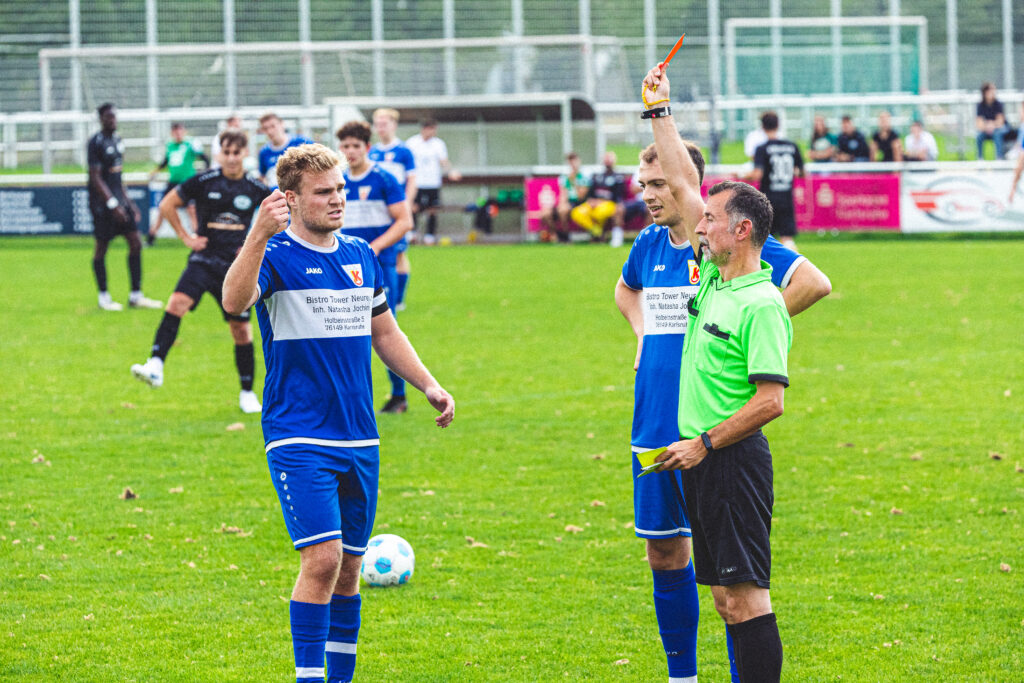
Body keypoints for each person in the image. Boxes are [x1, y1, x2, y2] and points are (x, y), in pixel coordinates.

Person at [618, 64, 829, 683]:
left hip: (725, 446)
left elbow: (772, 394)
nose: (695, 225)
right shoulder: (706, 271)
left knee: (742, 596)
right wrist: (657, 110)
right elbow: (683, 203)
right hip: (683, 436)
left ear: (736, 229)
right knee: (718, 590)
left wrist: (708, 436)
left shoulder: (753, 291)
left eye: (708, 220)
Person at [220, 143, 454, 683]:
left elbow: (384, 330)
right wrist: (257, 234)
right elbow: (234, 302)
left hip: (359, 436)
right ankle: (309, 677)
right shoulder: (274, 255)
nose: (338, 200)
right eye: (323, 192)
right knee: (321, 561)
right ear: (290, 199)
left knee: (349, 570)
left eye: (341, 190)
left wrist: (427, 384)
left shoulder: (359, 254)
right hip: (298, 434)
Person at [130, 129, 271, 413]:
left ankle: (247, 394)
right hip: (204, 259)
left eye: (236, 153)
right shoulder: (205, 180)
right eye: (226, 153)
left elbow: (281, 217)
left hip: (235, 269)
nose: (231, 158)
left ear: (245, 154)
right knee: (176, 303)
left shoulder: (256, 188)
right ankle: (155, 364)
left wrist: (258, 247)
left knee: (241, 330)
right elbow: (168, 204)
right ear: (219, 154)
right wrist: (186, 238)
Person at [336, 121, 414, 414]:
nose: (350, 151)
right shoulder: (338, 181)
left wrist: (377, 246)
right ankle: (351, 397)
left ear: (367, 148)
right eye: (345, 146)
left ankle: (398, 395)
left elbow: (405, 221)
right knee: (344, 330)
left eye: (356, 146)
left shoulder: (383, 178)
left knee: (384, 328)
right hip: (342, 266)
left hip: (378, 265)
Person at [86, 102, 162, 311]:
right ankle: (104, 297)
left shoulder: (118, 140)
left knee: (136, 243)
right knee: (101, 249)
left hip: (120, 202)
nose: (113, 120)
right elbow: (96, 178)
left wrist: (128, 203)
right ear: (101, 119)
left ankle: (136, 296)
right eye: (109, 117)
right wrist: (111, 204)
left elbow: (117, 177)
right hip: (103, 207)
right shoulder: (95, 142)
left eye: (115, 117)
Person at [369, 109, 417, 309]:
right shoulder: (372, 151)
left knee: (399, 253)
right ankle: (381, 295)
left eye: (384, 123)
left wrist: (406, 205)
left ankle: (398, 299)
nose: (381, 128)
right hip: (377, 211)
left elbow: (412, 180)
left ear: (393, 125)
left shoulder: (403, 151)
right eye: (377, 124)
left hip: (396, 209)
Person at [147, 122, 209, 245]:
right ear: (172, 133)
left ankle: (197, 235)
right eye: (175, 131)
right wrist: (156, 171)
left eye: (180, 131)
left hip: (188, 182)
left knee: (191, 210)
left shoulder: (190, 144)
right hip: (173, 182)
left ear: (184, 132)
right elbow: (165, 161)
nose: (178, 134)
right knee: (163, 209)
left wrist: (207, 172)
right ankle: (151, 237)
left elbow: (204, 157)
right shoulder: (170, 146)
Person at [751, 112, 805, 251]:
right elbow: (802, 172)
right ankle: (793, 269)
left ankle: (766, 269)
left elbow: (757, 174)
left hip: (767, 199)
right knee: (787, 239)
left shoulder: (762, 148)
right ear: (778, 125)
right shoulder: (792, 146)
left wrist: (740, 174)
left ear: (762, 127)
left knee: (765, 239)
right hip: (786, 197)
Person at [406, 118, 461, 247]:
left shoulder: (438, 144)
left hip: (433, 182)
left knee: (432, 209)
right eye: (429, 128)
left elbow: (443, 161)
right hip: (417, 183)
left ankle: (429, 236)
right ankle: (412, 234)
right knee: (414, 208)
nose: (431, 132)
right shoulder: (412, 143)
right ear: (423, 129)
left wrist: (451, 171)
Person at [571, 151, 628, 243]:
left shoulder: (618, 177)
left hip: (609, 204)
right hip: (594, 203)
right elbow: (590, 193)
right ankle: (597, 231)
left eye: (609, 159)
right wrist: (592, 201)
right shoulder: (596, 176)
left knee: (598, 213)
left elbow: (618, 196)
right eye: (606, 160)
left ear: (614, 161)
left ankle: (597, 237)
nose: (607, 162)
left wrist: (601, 202)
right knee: (576, 213)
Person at [258, 112, 315, 189]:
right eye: (265, 128)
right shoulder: (264, 152)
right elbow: (263, 176)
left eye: (273, 126)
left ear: (282, 124)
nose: (270, 131)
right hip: (278, 197)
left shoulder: (301, 142)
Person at [540, 151, 587, 242]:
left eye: (574, 161)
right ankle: (557, 234)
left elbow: (581, 196)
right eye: (571, 162)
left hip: (578, 203)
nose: (573, 164)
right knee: (546, 213)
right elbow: (563, 193)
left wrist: (574, 181)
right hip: (566, 203)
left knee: (563, 210)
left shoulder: (583, 176)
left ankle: (566, 236)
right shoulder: (565, 177)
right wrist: (561, 203)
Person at [976, 82, 1010, 160]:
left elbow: (1000, 122)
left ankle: (999, 157)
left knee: (997, 134)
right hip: (986, 129)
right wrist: (987, 126)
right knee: (979, 136)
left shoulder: (998, 104)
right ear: (985, 92)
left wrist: (992, 125)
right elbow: (979, 123)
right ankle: (980, 158)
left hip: (999, 129)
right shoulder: (980, 105)